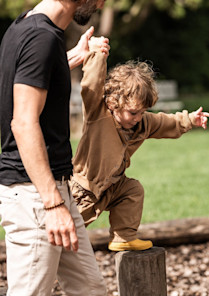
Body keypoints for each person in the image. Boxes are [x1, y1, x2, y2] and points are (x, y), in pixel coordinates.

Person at [0, 0, 110, 295]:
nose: (102, 2)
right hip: (37, 196)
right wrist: (53, 204)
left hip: (53, 190)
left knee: (90, 289)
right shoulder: (42, 37)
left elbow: (33, 74)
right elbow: (22, 124)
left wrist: (72, 57)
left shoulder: (27, 26)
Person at [70, 39, 209, 252]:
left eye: (143, 112)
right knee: (57, 239)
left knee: (132, 189)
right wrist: (97, 54)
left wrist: (190, 119)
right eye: (133, 112)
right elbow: (91, 85)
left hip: (113, 187)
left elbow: (166, 122)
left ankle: (123, 237)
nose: (138, 118)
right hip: (83, 191)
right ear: (113, 103)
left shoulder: (142, 123)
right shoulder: (98, 116)